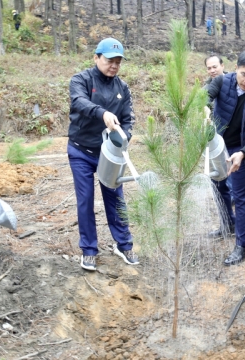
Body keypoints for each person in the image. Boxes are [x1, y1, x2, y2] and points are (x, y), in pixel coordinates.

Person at [68, 38, 138, 271]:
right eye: (110, 61)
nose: (114, 66)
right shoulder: (81, 80)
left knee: (115, 197)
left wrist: (124, 136)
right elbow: (79, 102)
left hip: (110, 154)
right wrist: (102, 114)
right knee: (85, 199)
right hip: (81, 150)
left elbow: (128, 118)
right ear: (96, 58)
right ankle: (89, 249)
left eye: (118, 62)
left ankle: (124, 244)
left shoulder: (123, 88)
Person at [206, 51, 245, 266]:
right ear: (236, 68)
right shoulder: (222, 81)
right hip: (216, 145)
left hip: (240, 150)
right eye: (244, 74)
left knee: (240, 197)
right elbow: (204, 96)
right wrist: (203, 110)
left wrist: (243, 153)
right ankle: (227, 224)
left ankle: (242, 246)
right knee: (218, 187)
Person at [204, 55, 245, 207]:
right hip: (219, 142)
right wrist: (203, 107)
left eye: (215, 67)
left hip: (241, 143)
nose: (212, 70)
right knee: (220, 180)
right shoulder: (215, 84)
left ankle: (243, 196)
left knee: (241, 179)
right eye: (209, 68)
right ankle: (229, 208)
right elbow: (204, 97)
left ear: (223, 66)